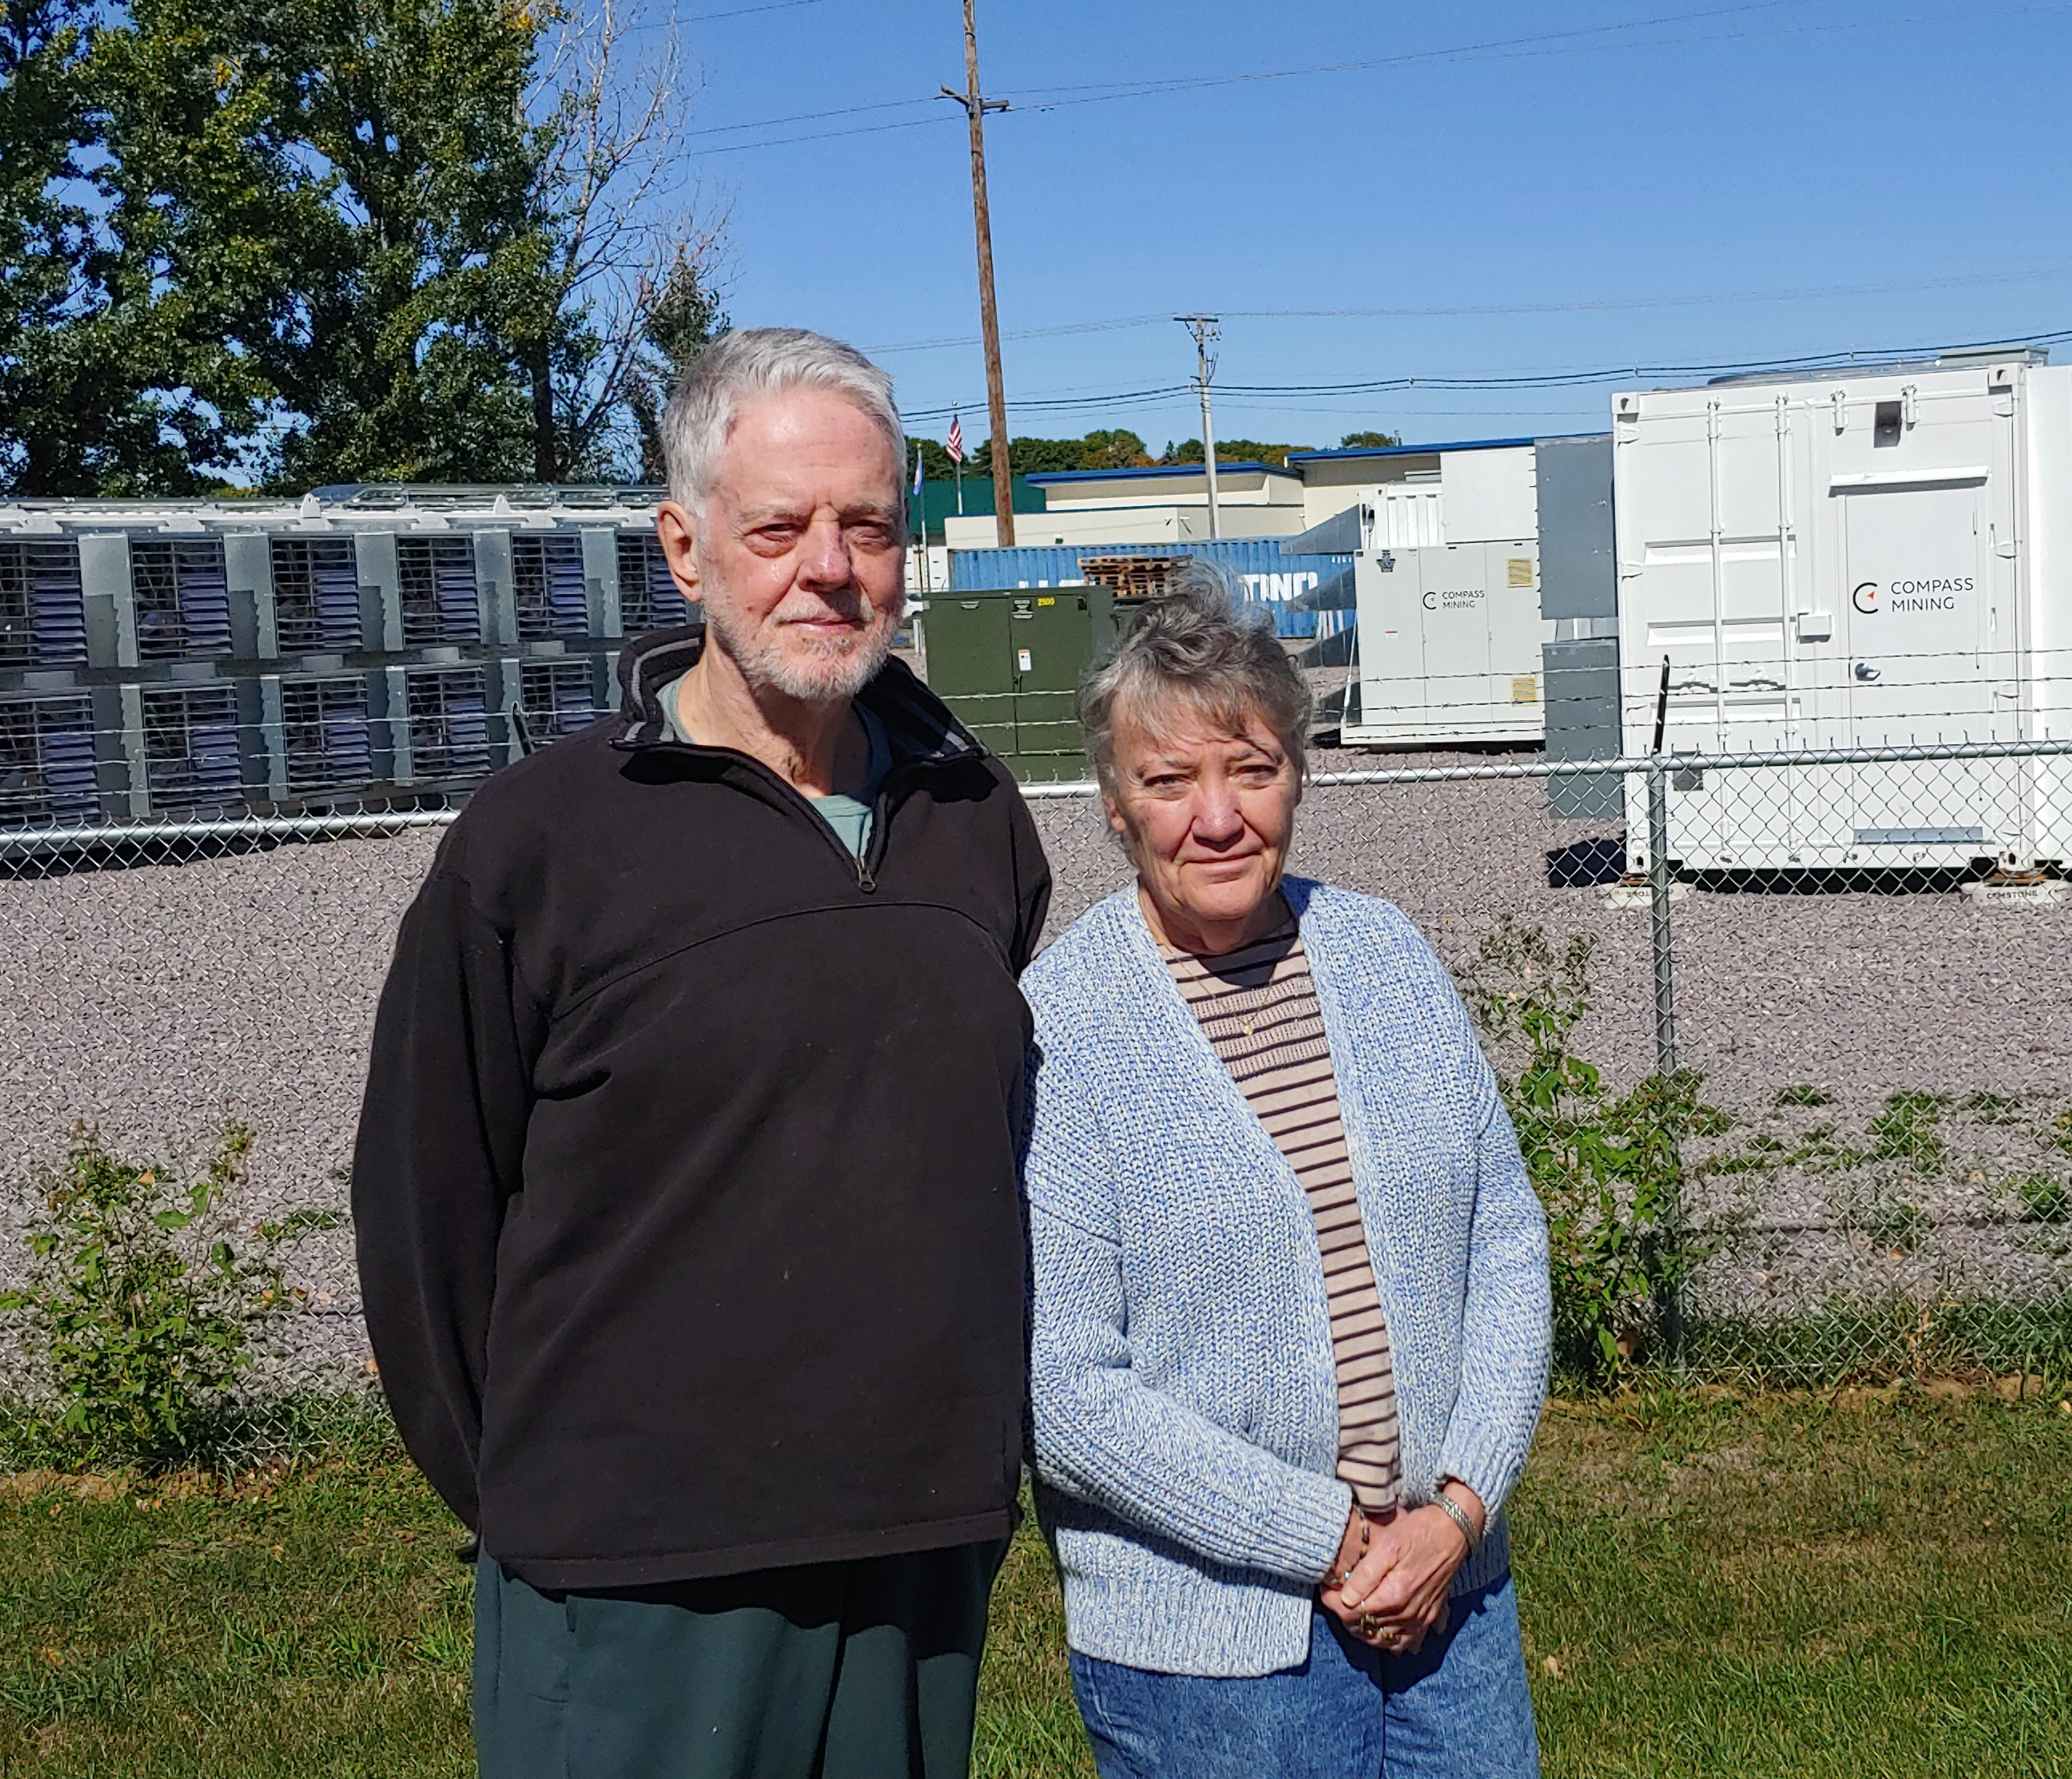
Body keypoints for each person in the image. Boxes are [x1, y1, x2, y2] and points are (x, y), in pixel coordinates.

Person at [351, 326, 1053, 1779]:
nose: (829, 567)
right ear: (685, 549)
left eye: (865, 525)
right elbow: (427, 1219)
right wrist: (553, 1490)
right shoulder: (538, 848)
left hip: (918, 1550)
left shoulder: (972, 814)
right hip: (636, 1577)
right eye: (778, 527)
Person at [1018, 567, 1552, 1778]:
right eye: (1170, 780)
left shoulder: (1384, 952)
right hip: (1210, 1654)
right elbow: (1062, 1390)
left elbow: (1506, 1242)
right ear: (1115, 805)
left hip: (1451, 1603)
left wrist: (1457, 1514)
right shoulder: (1062, 1023)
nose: (1218, 816)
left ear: (1297, 778)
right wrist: (1328, 1539)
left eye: (1251, 769)